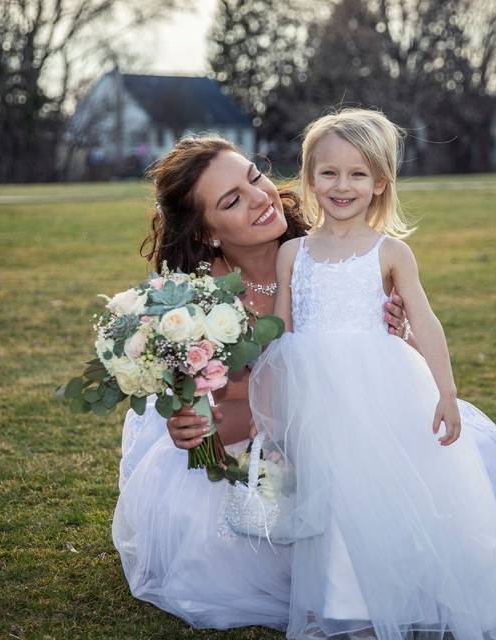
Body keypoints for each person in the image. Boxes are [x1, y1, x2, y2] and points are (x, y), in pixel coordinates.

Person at [248, 108, 496, 640]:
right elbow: (283, 334)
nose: (342, 186)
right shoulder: (293, 254)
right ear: (309, 176)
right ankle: (343, 603)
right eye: (329, 173)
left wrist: (446, 392)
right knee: (332, 491)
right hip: (318, 395)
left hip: (381, 388)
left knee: (381, 490)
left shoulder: (390, 252)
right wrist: (273, 416)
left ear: (380, 181)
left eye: (358, 174)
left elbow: (426, 321)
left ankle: (398, 590)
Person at [112, 136, 411, 630]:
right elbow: (225, 430)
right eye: (231, 201)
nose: (260, 197)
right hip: (256, 455)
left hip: (350, 429)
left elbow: (393, 372)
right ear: (208, 232)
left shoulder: (333, 248)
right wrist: (193, 428)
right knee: (234, 552)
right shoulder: (197, 304)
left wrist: (398, 331)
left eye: (253, 177)